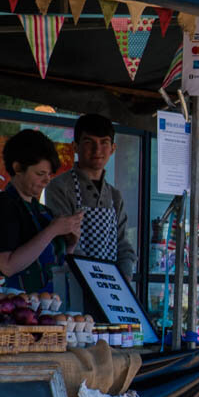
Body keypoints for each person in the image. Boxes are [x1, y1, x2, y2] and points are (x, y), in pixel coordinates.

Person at [0, 129, 82, 292]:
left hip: (53, 304)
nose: (46, 180)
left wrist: (70, 243)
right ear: (18, 167)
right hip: (20, 307)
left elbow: (58, 267)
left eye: (49, 174)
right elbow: (7, 266)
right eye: (40, 173)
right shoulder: (2, 206)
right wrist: (52, 230)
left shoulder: (44, 212)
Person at [45, 114, 135, 286]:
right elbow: (64, 242)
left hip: (111, 287)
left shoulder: (115, 196)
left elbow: (123, 245)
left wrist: (124, 279)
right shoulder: (60, 187)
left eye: (104, 143)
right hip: (73, 282)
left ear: (113, 148)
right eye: (89, 142)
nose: (97, 150)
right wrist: (94, 279)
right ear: (75, 147)